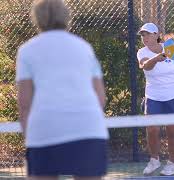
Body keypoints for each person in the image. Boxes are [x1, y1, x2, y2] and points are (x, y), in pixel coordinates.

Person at [16, 0, 108, 179]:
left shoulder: (26, 51)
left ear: (37, 18)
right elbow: (100, 98)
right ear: (66, 16)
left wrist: (31, 142)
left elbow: (24, 103)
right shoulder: (84, 48)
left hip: (45, 132)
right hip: (88, 130)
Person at [137, 23, 174, 176]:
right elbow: (145, 66)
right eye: (142, 35)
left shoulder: (169, 47)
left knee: (172, 131)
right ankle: (154, 160)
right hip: (153, 97)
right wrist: (156, 59)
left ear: (156, 35)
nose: (145, 37)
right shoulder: (142, 52)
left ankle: (172, 164)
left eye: (148, 34)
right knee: (152, 129)